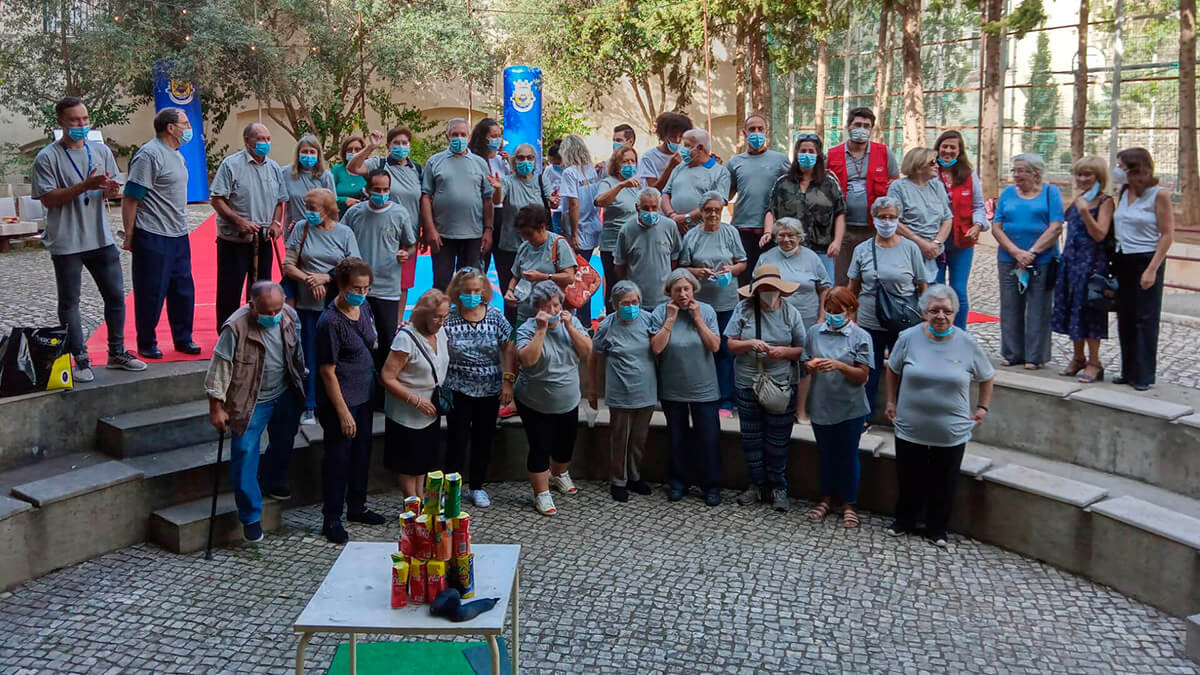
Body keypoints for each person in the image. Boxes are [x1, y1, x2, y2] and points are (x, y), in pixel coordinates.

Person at [32, 96, 145, 381]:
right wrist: (85, 185)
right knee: (70, 302)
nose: (82, 125)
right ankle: (79, 358)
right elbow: (48, 199)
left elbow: (113, 191)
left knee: (116, 297)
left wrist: (110, 190)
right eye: (75, 120)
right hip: (67, 241)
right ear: (61, 122)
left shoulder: (101, 151)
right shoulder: (47, 157)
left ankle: (117, 352)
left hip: (101, 237)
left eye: (85, 119)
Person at [885, 284, 995, 547]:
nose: (940, 316)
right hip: (911, 424)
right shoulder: (908, 337)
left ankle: (937, 528)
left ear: (955, 313)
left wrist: (982, 407)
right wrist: (891, 400)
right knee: (909, 475)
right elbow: (893, 369)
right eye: (934, 310)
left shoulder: (967, 343)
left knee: (944, 480)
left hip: (951, 429)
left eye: (947, 311)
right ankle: (904, 520)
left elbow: (987, 376)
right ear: (924, 312)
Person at [204, 281, 305, 542]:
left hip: (284, 393)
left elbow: (297, 354)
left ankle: (270, 479)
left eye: (277, 310)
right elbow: (219, 369)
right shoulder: (235, 327)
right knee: (245, 451)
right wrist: (216, 406)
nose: (273, 317)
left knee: (284, 439)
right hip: (250, 401)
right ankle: (250, 515)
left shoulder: (290, 316)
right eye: (267, 312)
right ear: (252, 306)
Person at [315, 258, 387, 544]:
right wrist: (344, 412)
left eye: (366, 287)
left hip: (364, 395)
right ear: (342, 286)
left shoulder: (364, 307)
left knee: (361, 454)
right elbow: (327, 371)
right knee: (338, 459)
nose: (362, 292)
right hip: (341, 401)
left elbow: (372, 341)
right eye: (357, 288)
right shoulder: (330, 322)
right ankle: (331, 517)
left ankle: (357, 505)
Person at [725, 265, 806, 512]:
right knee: (751, 438)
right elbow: (730, 345)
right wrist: (750, 343)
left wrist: (782, 352)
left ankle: (778, 486)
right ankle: (756, 484)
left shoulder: (791, 313)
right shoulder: (744, 310)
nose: (768, 293)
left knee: (777, 440)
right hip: (748, 381)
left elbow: (802, 349)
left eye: (772, 288)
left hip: (781, 384)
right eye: (764, 289)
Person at [121, 106, 200, 360]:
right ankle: (146, 341)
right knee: (151, 291)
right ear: (170, 128)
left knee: (183, 289)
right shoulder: (149, 155)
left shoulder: (177, 154)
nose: (189, 128)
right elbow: (131, 196)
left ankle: (183, 338)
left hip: (178, 233)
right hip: (153, 233)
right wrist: (131, 234)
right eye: (185, 123)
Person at [282, 188, 361, 425]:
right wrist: (310, 278)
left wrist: (326, 278)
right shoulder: (301, 228)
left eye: (313, 208)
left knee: (338, 355)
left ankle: (341, 400)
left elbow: (354, 265)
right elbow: (288, 265)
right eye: (307, 207)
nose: (308, 213)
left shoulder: (345, 233)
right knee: (309, 356)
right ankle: (309, 405)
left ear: (327, 210)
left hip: (336, 306)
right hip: (307, 305)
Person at [514, 281, 593, 516]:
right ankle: (541, 493)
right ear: (536, 308)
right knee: (540, 446)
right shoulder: (527, 329)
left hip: (567, 399)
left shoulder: (573, 322)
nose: (553, 310)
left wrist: (569, 328)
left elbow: (587, 351)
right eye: (546, 306)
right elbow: (527, 360)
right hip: (534, 401)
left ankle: (559, 474)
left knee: (565, 444)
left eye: (556, 304)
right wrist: (541, 330)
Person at [847, 196, 928, 423]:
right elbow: (852, 286)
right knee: (867, 370)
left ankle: (904, 416)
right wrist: (849, 317)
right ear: (874, 219)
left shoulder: (910, 249)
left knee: (905, 369)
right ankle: (864, 416)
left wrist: (924, 317)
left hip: (903, 321)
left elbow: (923, 286)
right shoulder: (862, 249)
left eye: (892, 217)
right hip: (869, 320)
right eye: (882, 217)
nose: (887, 221)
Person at [443, 268, 515, 509]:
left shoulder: (495, 316)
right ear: (458, 292)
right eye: (467, 291)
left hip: (489, 389)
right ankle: (451, 487)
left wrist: (508, 380)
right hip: (458, 388)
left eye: (477, 290)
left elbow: (508, 346)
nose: (472, 295)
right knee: (456, 440)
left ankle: (477, 486)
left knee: (483, 439)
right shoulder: (449, 318)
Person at [341, 169, 418, 392]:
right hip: (358, 289)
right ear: (367, 190)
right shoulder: (355, 213)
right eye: (377, 190)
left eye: (386, 190)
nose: (382, 194)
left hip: (388, 288)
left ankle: (384, 391)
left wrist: (407, 253)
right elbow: (341, 237)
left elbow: (411, 245)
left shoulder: (400, 214)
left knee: (387, 340)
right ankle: (359, 386)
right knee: (356, 339)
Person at [651, 269, 723, 505]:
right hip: (673, 387)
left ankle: (711, 485)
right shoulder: (661, 312)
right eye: (677, 290)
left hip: (704, 387)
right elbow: (657, 348)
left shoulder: (707, 310)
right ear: (669, 292)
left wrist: (698, 319)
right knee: (677, 436)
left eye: (686, 289)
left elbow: (714, 346)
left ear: (693, 290)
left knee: (709, 437)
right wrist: (670, 320)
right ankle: (678, 481)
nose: (682, 294)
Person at [804, 287, 873, 528]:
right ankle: (826, 497)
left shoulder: (861, 337)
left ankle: (849, 503)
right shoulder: (815, 332)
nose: (833, 315)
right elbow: (805, 359)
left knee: (848, 454)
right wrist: (810, 365)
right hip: (821, 403)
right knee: (826, 454)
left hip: (850, 407)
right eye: (829, 311)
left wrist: (840, 366)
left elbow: (862, 375)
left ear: (851, 311)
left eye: (838, 312)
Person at [991, 153, 1065, 370]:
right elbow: (997, 226)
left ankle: (1035, 356)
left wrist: (1031, 252)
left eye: (1021, 170)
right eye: (1014, 170)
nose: (1016, 175)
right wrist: (1016, 252)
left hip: (1042, 259)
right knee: (1010, 306)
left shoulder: (1051, 193)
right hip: (1009, 258)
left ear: (1036, 173)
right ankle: (1012, 353)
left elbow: (1056, 226)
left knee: (1039, 307)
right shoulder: (1007, 194)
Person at [211, 122, 288, 331]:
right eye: (259, 139)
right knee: (230, 290)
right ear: (247, 141)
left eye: (267, 139)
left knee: (261, 289)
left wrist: (276, 223)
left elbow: (280, 202)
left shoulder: (273, 168)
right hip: (235, 240)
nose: (265, 143)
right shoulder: (231, 165)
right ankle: (228, 332)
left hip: (263, 239)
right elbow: (217, 199)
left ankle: (257, 329)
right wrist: (239, 221)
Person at [754, 217, 831, 422]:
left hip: (807, 319)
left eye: (792, 235)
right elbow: (756, 288)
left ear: (800, 237)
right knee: (777, 361)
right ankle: (776, 404)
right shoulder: (767, 258)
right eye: (782, 235)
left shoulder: (812, 258)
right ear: (775, 237)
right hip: (774, 320)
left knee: (804, 363)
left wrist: (822, 316)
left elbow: (824, 288)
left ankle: (800, 410)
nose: (787, 239)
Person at [1111, 147, 1175, 391]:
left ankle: (1144, 374)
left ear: (1135, 167)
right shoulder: (1125, 191)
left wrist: (1152, 269)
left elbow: (1168, 234)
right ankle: (1128, 371)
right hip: (1123, 258)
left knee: (1145, 318)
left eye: (1122, 165)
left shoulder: (1158, 194)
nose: (1117, 169)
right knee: (1124, 317)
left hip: (1146, 259)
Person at [678, 192, 747, 417]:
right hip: (700, 304)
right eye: (709, 210)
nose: (713, 214)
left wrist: (731, 270)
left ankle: (725, 400)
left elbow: (742, 263)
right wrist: (697, 272)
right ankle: (699, 396)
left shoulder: (730, 232)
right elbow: (682, 267)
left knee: (725, 351)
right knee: (699, 350)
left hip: (726, 302)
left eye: (717, 210)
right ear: (702, 212)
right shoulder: (692, 236)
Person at [588, 281, 657, 502]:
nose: (631, 306)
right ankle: (618, 480)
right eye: (625, 303)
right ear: (616, 305)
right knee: (620, 438)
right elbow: (593, 356)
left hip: (645, 389)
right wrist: (592, 389)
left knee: (639, 438)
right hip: (620, 391)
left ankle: (635, 476)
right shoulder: (608, 325)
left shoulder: (648, 319)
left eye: (634, 302)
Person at [381, 290, 450, 498]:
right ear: (424, 314)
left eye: (444, 316)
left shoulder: (440, 332)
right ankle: (411, 504)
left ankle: (420, 500)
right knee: (409, 465)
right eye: (437, 316)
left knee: (423, 463)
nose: (441, 321)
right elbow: (387, 377)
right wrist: (415, 400)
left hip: (430, 411)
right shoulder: (405, 339)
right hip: (407, 413)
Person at [1051, 156, 1114, 384]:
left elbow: (1100, 234)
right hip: (1071, 262)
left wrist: (1086, 212)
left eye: (1088, 174)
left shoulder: (1104, 201)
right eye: (1079, 174)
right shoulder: (1079, 198)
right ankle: (1078, 357)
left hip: (1091, 263)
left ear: (1099, 177)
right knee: (1071, 309)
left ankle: (1094, 362)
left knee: (1090, 312)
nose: (1083, 179)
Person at [349, 127, 425, 310]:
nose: (400, 147)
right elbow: (353, 167)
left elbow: (422, 201)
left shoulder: (417, 169)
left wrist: (424, 231)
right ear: (388, 146)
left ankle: (397, 325)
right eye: (396, 143)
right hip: (381, 233)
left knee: (403, 283)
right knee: (370, 280)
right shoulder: (379, 164)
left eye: (404, 143)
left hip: (408, 236)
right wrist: (370, 147)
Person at [827, 107, 900, 284]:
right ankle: (841, 311)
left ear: (871, 129)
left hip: (874, 228)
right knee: (842, 278)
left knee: (871, 276)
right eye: (857, 124)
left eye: (867, 126)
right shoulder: (832, 154)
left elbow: (895, 182)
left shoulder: (884, 153)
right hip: (843, 229)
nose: (862, 129)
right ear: (848, 127)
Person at [420, 118, 494, 290]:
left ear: (468, 138)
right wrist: (430, 229)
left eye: (462, 134)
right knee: (441, 283)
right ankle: (441, 317)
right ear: (447, 137)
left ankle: (467, 317)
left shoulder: (480, 163)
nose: (458, 138)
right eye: (455, 134)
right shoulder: (434, 162)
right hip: (442, 234)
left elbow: (488, 199)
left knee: (470, 284)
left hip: (473, 235)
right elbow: (425, 197)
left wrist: (488, 230)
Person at [762, 134, 845, 281]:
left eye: (811, 152)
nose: (807, 155)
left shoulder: (830, 183)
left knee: (824, 293)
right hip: (788, 249)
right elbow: (770, 210)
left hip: (822, 250)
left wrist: (837, 241)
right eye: (803, 151)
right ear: (796, 154)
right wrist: (768, 232)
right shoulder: (783, 182)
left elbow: (840, 213)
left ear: (818, 155)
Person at [493, 144, 556, 326]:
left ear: (535, 161)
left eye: (529, 158)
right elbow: (498, 200)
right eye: (521, 158)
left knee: (538, 292)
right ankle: (512, 333)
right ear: (514, 161)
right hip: (510, 248)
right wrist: (497, 188)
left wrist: (553, 201)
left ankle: (540, 329)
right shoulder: (507, 181)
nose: (525, 161)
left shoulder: (541, 181)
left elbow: (550, 203)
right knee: (511, 295)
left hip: (537, 249)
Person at [932, 131, 989, 329]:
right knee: (935, 289)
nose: (947, 151)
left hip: (962, 241)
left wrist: (978, 225)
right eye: (944, 146)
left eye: (952, 148)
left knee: (958, 290)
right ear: (938, 148)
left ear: (959, 151)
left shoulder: (969, 174)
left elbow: (978, 206)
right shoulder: (930, 172)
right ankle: (935, 332)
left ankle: (960, 333)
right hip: (934, 241)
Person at [728, 115, 791, 284]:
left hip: (771, 233)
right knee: (744, 281)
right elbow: (727, 194)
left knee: (769, 281)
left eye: (760, 129)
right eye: (752, 129)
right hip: (742, 230)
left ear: (766, 132)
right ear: (744, 133)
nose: (756, 133)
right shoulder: (735, 162)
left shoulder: (780, 160)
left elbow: (793, 189)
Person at [504, 205, 577, 326]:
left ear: (542, 227)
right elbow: (516, 276)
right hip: (526, 313)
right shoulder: (524, 247)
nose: (526, 238)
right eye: (522, 234)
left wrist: (544, 276)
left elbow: (569, 277)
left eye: (529, 234)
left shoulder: (558, 244)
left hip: (553, 314)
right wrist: (510, 291)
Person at [888, 147, 953, 282]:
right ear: (918, 165)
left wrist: (936, 243)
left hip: (935, 253)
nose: (936, 166)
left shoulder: (937, 186)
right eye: (932, 163)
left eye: (936, 162)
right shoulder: (899, 187)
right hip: (908, 253)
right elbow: (893, 221)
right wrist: (920, 243)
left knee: (934, 297)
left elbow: (947, 218)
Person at [557, 134, 602, 326]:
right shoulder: (590, 170)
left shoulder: (570, 173)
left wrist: (572, 234)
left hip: (580, 229)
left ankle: (580, 323)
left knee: (577, 281)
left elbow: (573, 204)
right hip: (592, 226)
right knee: (584, 278)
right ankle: (583, 322)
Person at [614, 187, 682, 309]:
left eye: (654, 208)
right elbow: (620, 266)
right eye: (645, 208)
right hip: (637, 301)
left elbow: (674, 259)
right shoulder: (627, 230)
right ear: (637, 208)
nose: (650, 212)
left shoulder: (670, 226)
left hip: (664, 300)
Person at [594, 144, 642, 312]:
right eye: (625, 161)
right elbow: (600, 201)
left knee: (633, 286)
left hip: (634, 244)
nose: (629, 165)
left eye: (632, 161)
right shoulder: (609, 182)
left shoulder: (638, 184)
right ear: (617, 164)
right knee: (615, 287)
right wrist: (621, 186)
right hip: (612, 245)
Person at [662, 129, 731, 234]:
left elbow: (717, 203)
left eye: (687, 145)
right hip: (674, 230)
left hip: (702, 232)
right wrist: (673, 216)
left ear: (700, 148)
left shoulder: (720, 172)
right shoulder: (679, 167)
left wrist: (686, 218)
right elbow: (666, 193)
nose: (682, 150)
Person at [282, 135, 336, 238]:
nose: (308, 155)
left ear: (318, 155)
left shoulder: (326, 176)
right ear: (298, 154)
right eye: (305, 151)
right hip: (293, 232)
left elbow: (331, 209)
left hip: (320, 233)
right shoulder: (285, 173)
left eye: (312, 152)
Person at [636, 112, 693, 190]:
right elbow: (653, 190)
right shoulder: (649, 157)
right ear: (663, 136)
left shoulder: (687, 154)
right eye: (673, 136)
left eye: (681, 136)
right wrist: (670, 167)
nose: (678, 140)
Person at [331, 136, 367, 218]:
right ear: (344, 152)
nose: (353, 152)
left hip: (362, 218)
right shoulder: (337, 170)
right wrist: (344, 200)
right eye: (349, 150)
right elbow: (326, 195)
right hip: (338, 218)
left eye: (357, 149)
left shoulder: (368, 170)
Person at [544, 139, 566, 235]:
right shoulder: (549, 170)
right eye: (551, 162)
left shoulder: (569, 170)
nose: (553, 165)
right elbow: (545, 184)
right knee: (556, 233)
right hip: (555, 208)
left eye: (555, 163)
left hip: (567, 207)